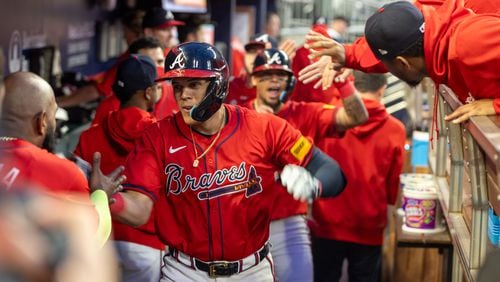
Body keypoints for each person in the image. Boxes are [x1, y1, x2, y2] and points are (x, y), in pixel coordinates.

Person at [106, 42, 347, 281]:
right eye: (177, 86)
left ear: (218, 85)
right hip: (185, 271)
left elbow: (331, 171)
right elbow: (139, 210)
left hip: (252, 270)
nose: (183, 95)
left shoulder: (265, 128)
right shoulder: (156, 136)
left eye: (194, 85)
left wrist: (314, 185)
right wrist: (108, 199)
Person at [244, 48, 368, 281]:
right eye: (266, 74)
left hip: (288, 223)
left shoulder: (306, 113)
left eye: (280, 75)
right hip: (243, 224)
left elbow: (357, 117)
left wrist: (343, 83)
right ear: (254, 79)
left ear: (289, 81)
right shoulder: (237, 117)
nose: (274, 80)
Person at [301, 0, 500, 123]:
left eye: (388, 66)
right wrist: (348, 54)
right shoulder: (433, 29)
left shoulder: (469, 41)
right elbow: (399, 37)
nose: (386, 69)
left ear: (403, 63)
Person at [0, 72, 125, 246]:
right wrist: (100, 195)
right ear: (42, 122)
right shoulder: (62, 172)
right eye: (54, 115)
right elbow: (92, 238)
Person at [310, 71, 406, 282]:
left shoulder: (328, 118)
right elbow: (393, 184)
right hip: (369, 224)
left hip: (326, 219)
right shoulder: (395, 130)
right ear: (382, 90)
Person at [74, 55, 163, 282]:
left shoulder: (90, 136)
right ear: (148, 93)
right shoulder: (160, 135)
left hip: (102, 240)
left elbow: (75, 190)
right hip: (148, 243)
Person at [91, 37, 177, 125]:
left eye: (160, 61)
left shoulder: (179, 97)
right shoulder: (111, 106)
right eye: (147, 63)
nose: (155, 68)